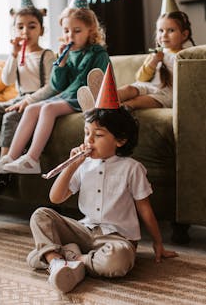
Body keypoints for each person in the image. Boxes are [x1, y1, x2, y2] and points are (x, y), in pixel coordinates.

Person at [26, 106, 178, 293]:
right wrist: (72, 166)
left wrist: (158, 243)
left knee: (118, 260)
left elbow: (144, 208)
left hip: (116, 238)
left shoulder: (132, 168)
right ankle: (58, 262)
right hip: (84, 231)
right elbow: (55, 198)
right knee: (41, 215)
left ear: (120, 140)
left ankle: (68, 259)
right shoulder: (83, 165)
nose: (88, 140)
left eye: (98, 135)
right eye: (86, 133)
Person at [0, 6, 110, 179]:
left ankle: (32, 159)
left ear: (91, 30)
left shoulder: (98, 53)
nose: (70, 36)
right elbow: (57, 85)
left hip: (85, 96)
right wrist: (62, 64)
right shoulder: (69, 53)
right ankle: (10, 157)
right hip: (67, 94)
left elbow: (95, 80)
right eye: (66, 31)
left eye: (77, 31)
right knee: (31, 108)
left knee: (48, 109)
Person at [0, 6, 55, 198]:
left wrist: (28, 101)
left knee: (11, 116)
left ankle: (2, 173)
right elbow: (7, 80)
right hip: (18, 97)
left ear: (41, 31)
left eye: (32, 26)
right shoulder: (18, 55)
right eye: (20, 27)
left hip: (37, 98)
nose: (25, 31)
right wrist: (13, 54)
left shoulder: (47, 55)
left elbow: (51, 86)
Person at [117, 11, 195, 110]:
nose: (164, 35)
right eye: (161, 30)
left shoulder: (185, 56)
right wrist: (153, 62)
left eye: (171, 30)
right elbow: (140, 78)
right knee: (128, 89)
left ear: (184, 35)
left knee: (136, 101)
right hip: (147, 86)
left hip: (165, 94)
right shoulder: (155, 54)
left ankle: (119, 110)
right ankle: (103, 101)